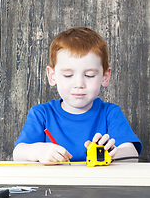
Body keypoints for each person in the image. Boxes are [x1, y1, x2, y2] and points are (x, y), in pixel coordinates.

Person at [13, 27, 142, 163]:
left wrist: (113, 153)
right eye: (68, 75)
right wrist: (37, 151)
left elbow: (132, 154)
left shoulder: (110, 113)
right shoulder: (41, 114)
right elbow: (18, 153)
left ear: (105, 76)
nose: (79, 84)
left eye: (89, 75)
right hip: (53, 184)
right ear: (52, 76)